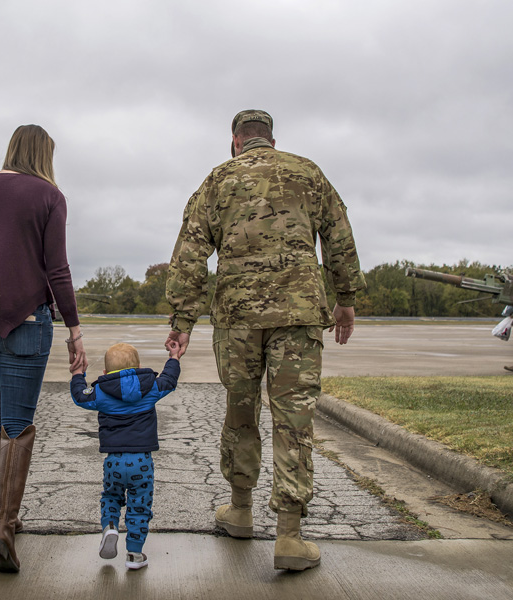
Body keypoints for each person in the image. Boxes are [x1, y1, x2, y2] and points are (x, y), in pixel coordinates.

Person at [164, 109, 365, 571]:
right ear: (271, 139)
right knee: (294, 418)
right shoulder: (308, 174)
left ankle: (239, 510)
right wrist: (346, 298)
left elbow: (191, 251)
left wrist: (182, 318)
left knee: (241, 410)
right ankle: (290, 536)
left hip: (237, 317)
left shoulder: (217, 180)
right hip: (297, 314)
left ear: (236, 141)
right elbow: (339, 238)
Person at [0, 124, 87, 574]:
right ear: (45, 155)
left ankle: (4, 519)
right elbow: (57, 269)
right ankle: (4, 527)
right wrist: (74, 329)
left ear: (12, 148)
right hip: (26, 321)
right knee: (16, 423)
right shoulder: (50, 196)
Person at [70, 342, 181, 570]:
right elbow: (169, 380)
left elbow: (80, 396)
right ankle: (134, 553)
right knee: (139, 506)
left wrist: (78, 374)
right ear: (138, 367)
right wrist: (174, 358)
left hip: (114, 461)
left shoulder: (100, 391)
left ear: (105, 373)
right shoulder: (150, 387)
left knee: (111, 496)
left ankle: (110, 525)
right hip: (142, 462)